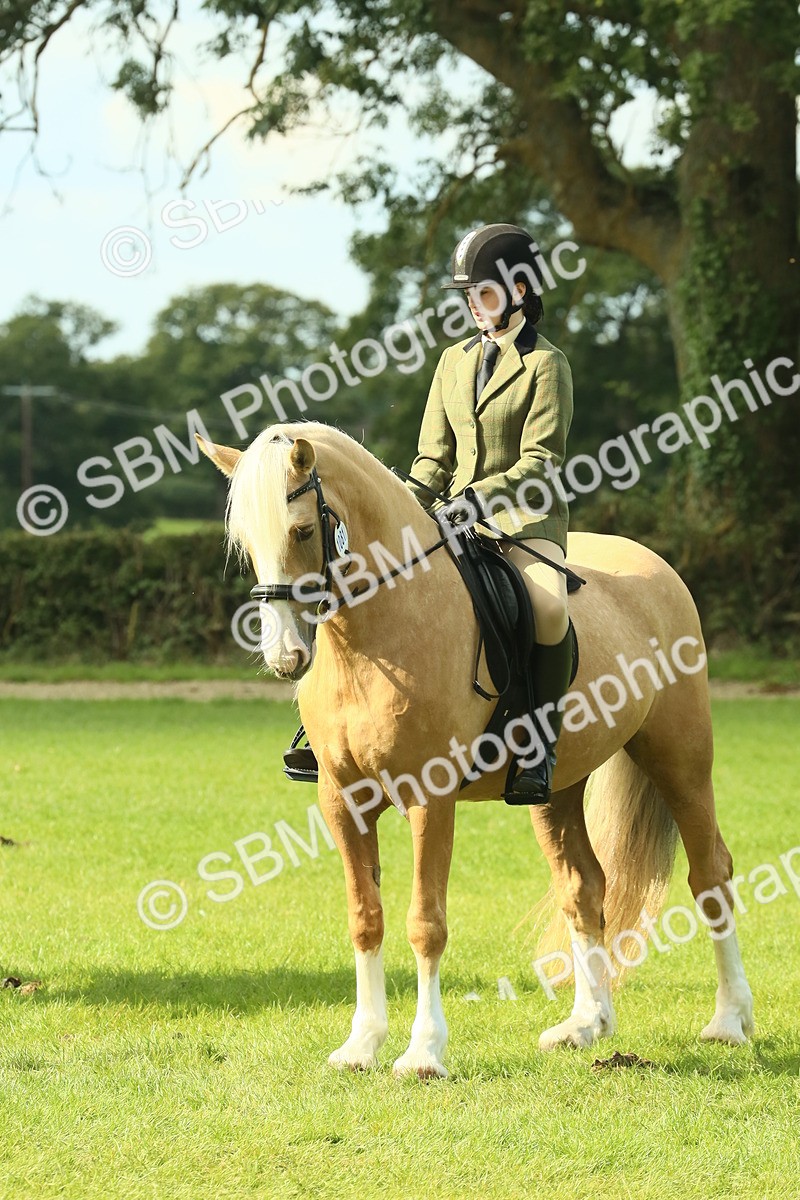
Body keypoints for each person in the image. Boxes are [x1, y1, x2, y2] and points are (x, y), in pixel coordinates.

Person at [404, 223, 574, 803]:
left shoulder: (547, 365)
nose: (474, 305)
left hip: (525, 522)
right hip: (451, 518)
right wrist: (406, 506)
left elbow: (542, 460)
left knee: (549, 610)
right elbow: (432, 457)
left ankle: (538, 748)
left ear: (521, 289)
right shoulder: (451, 361)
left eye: (486, 293)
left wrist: (476, 500)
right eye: (468, 295)